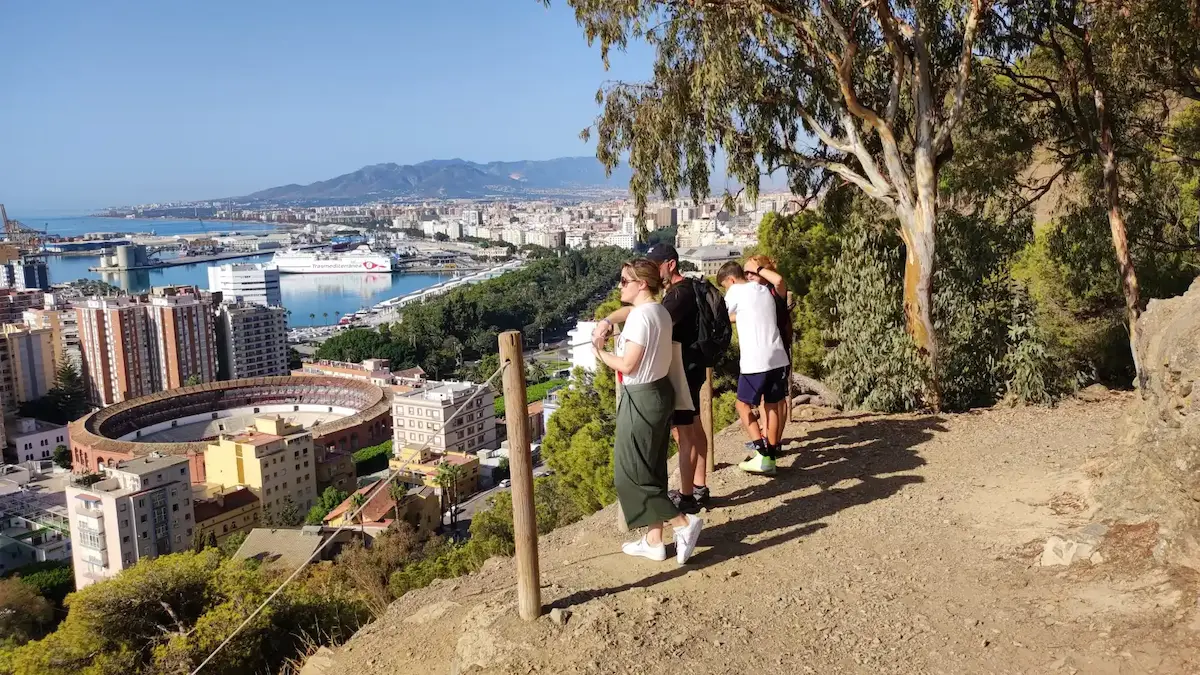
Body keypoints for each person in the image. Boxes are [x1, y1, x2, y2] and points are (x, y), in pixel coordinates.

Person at [593, 259, 704, 563]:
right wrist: (606, 322)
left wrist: (599, 352)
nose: (619, 286)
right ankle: (655, 540)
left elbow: (628, 364)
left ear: (641, 284)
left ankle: (683, 522)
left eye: (624, 281)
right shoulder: (659, 311)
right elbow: (631, 312)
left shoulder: (643, 318)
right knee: (652, 468)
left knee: (629, 473)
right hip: (659, 393)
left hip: (640, 397)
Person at [717, 261, 790, 475]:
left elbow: (718, 317)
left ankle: (761, 454)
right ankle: (772, 456)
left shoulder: (735, 292)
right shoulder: (763, 290)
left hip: (754, 361)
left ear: (731, 280)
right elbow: (749, 315)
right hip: (777, 356)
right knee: (773, 405)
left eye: (725, 286)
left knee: (742, 405)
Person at [744, 255, 794, 443]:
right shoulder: (755, 294)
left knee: (777, 399)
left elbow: (780, 280)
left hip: (777, 347)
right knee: (769, 399)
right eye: (746, 273)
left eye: (752, 272)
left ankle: (774, 439)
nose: (749, 276)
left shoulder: (774, 291)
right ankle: (769, 437)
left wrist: (758, 269)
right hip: (764, 349)